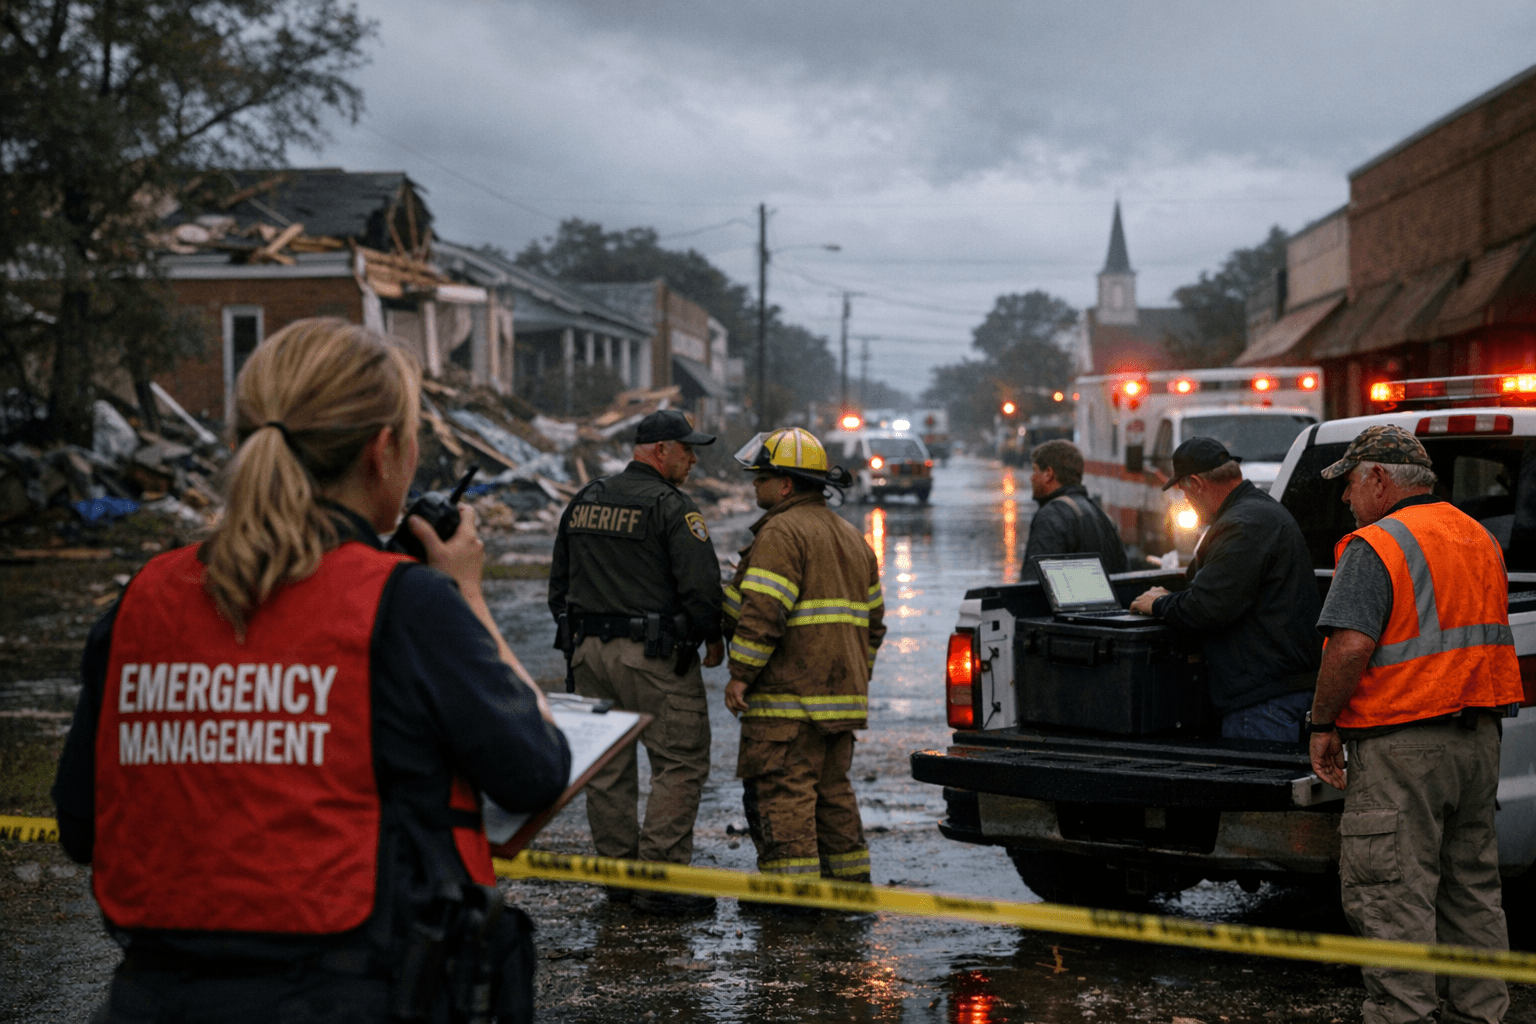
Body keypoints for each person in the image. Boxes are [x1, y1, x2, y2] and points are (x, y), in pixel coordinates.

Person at [51, 318, 571, 1024]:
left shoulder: (140, 600)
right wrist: (468, 595)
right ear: (383, 451)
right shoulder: (405, 603)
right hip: (353, 995)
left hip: (152, 998)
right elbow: (534, 771)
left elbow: (84, 827)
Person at [1308, 424, 1521, 1024]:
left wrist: (1321, 724)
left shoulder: (1376, 544)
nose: (1347, 501)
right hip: (1478, 741)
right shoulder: (1478, 536)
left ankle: (1403, 1016)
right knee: (1472, 890)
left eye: (1350, 485)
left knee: (1392, 895)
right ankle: (1482, 1014)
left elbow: (1349, 648)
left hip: (1403, 743)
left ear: (1378, 478)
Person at [548, 408, 724, 916]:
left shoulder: (584, 500)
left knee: (606, 768)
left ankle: (620, 882)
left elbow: (558, 586)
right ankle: (660, 884)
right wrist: (711, 637)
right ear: (660, 451)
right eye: (686, 449)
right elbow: (701, 590)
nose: (692, 458)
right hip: (652, 656)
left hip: (587, 655)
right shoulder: (673, 508)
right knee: (680, 763)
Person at [724, 428, 886, 906]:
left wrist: (740, 675)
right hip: (838, 705)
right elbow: (873, 626)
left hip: (787, 705)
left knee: (784, 796)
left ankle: (791, 904)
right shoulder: (852, 537)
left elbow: (763, 614)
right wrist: (856, 678)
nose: (755, 485)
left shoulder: (781, 531)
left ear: (787, 486)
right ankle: (850, 894)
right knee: (833, 796)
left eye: (762, 478)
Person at [1129, 437, 1321, 741]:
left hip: (1261, 701)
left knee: (1255, 786)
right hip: (1280, 691)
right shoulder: (1260, 511)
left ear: (1196, 483)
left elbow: (1208, 606)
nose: (1186, 501)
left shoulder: (1241, 524)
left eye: (1184, 492)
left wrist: (1158, 604)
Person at [1020, 439, 1127, 580]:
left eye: (1035, 470)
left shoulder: (1051, 517)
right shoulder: (1102, 516)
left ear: (1048, 474)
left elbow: (1034, 584)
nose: (1031, 478)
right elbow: (1123, 573)